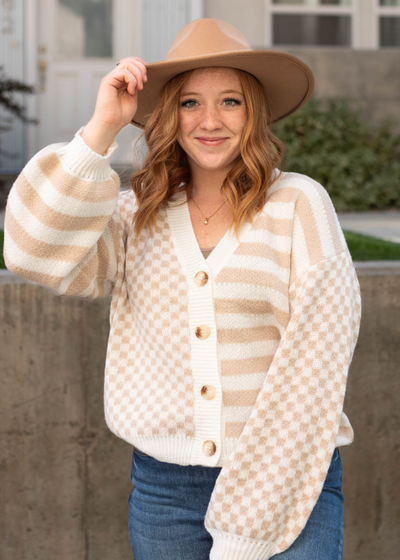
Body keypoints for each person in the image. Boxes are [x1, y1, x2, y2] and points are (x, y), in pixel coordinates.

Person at [3, 18, 361, 560]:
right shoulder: (134, 216)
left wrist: (247, 531)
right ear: (169, 115)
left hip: (289, 479)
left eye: (231, 102)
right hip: (165, 493)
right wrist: (101, 129)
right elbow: (31, 251)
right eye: (191, 103)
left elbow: (317, 367)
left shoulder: (299, 206)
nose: (210, 121)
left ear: (255, 113)